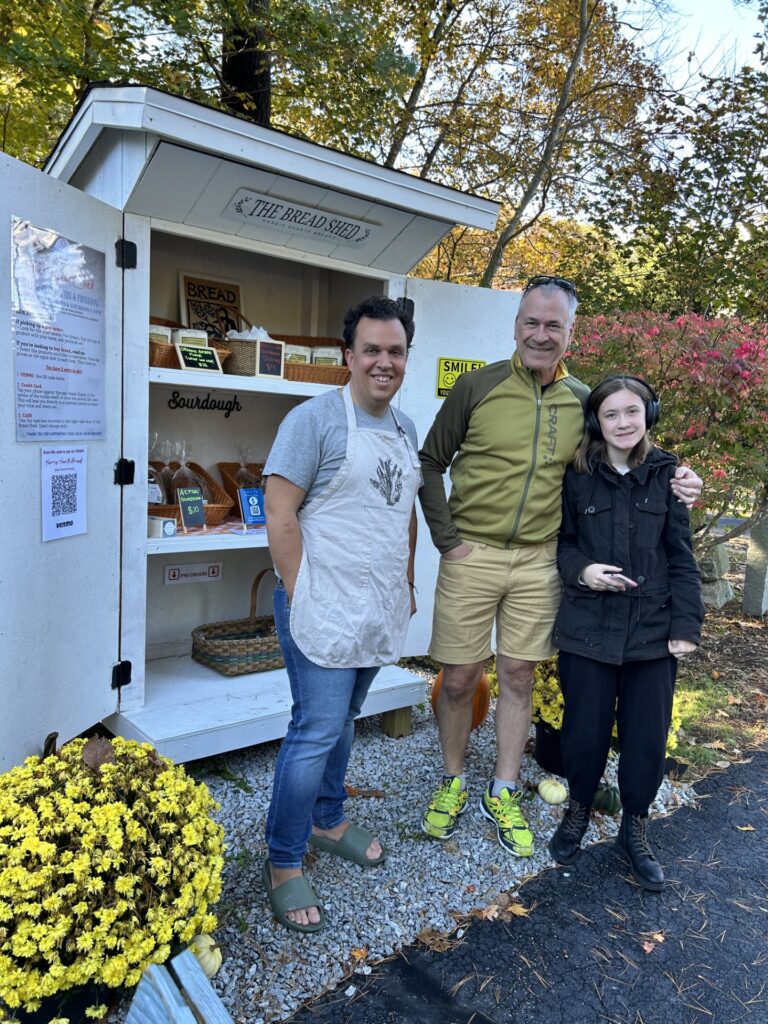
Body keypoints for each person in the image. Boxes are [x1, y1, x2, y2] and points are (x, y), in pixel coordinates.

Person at [418, 276, 702, 858]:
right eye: (531, 322)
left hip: (543, 560)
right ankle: (451, 780)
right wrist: (447, 540)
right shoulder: (476, 387)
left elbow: (631, 447)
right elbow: (430, 462)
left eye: (554, 325)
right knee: (460, 679)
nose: (540, 335)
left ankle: (503, 789)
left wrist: (680, 479)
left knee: (519, 676)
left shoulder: (582, 401)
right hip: (472, 553)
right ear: (516, 323)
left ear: (571, 333)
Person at [262, 295, 420, 932]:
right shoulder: (314, 421)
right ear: (348, 356)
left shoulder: (405, 429)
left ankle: (328, 820)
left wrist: (405, 581)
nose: (385, 362)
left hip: (375, 604)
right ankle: (282, 861)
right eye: (373, 350)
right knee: (314, 730)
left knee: (346, 720)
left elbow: (401, 513)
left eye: (396, 351)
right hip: (321, 602)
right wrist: (304, 595)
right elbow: (279, 515)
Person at [548, 375, 704, 890]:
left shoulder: (668, 476)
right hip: (588, 629)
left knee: (645, 738)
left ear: (648, 415)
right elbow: (564, 544)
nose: (622, 423)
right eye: (611, 414)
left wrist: (686, 627)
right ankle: (579, 805)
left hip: (652, 634)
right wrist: (584, 571)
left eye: (632, 412)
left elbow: (682, 559)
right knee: (584, 732)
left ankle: (633, 826)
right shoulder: (577, 476)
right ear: (596, 421)